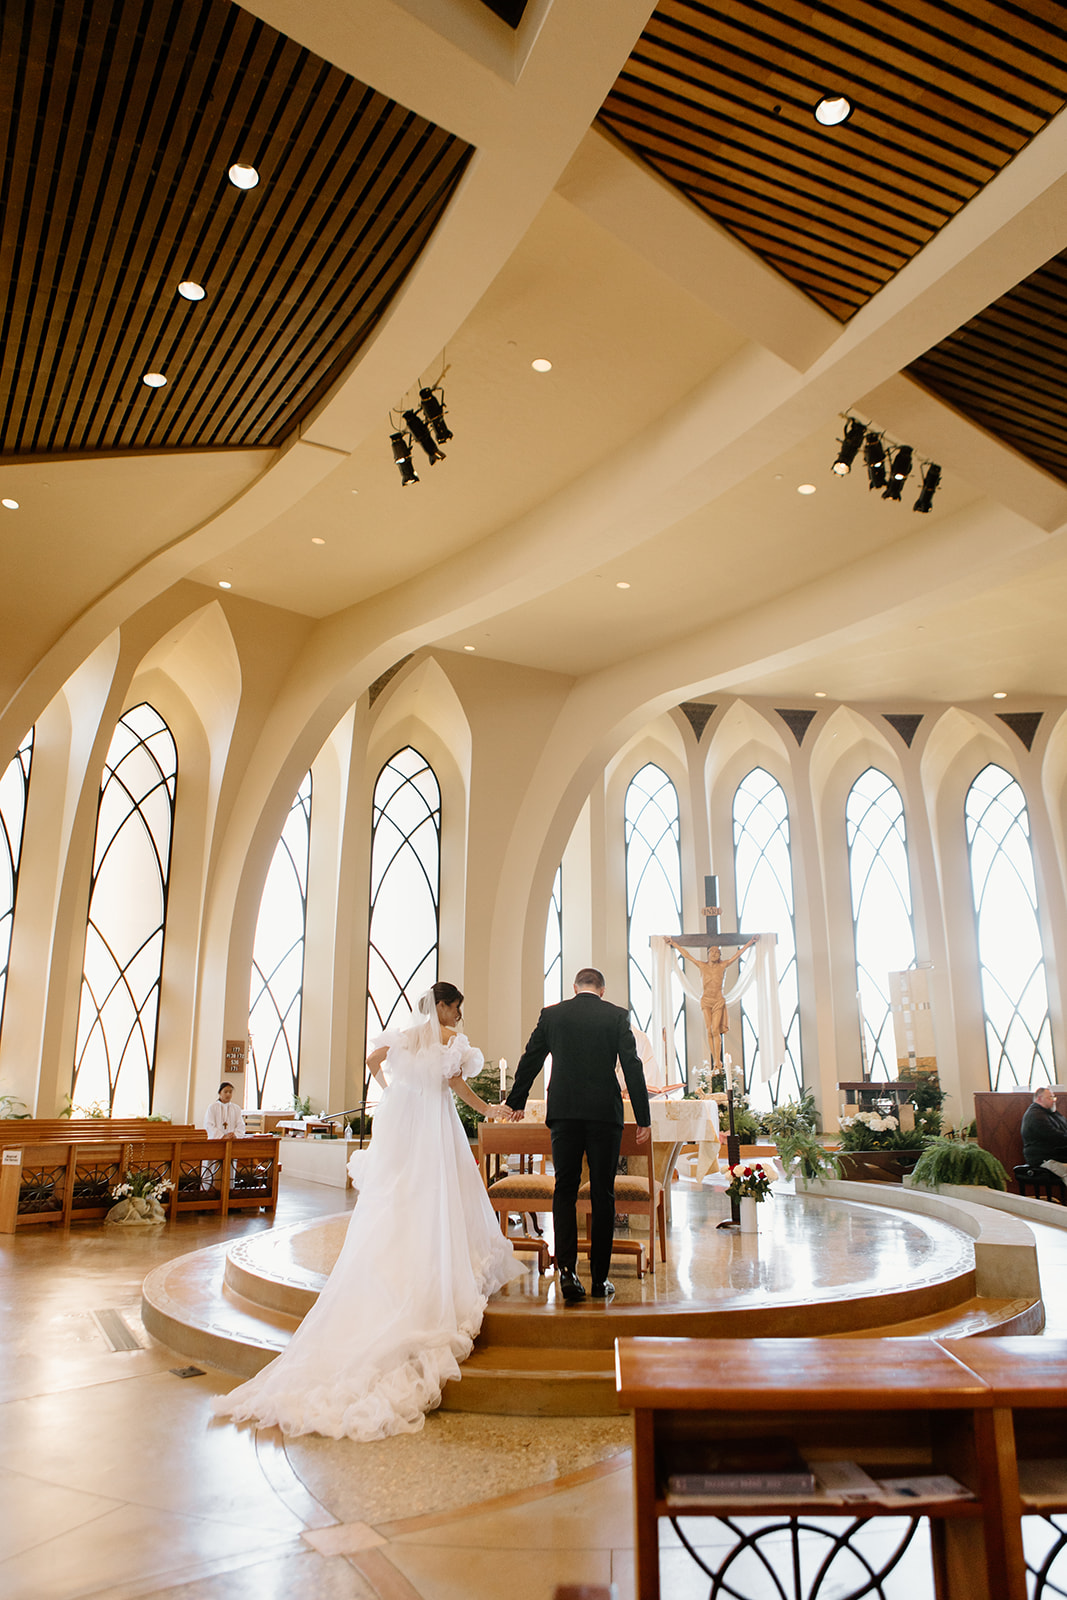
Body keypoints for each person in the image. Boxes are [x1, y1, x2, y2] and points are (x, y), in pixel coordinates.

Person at [212, 983, 522, 1440]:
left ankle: (401, 1265)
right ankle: (434, 1268)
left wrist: (392, 1089)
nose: (459, 1015)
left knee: (404, 1200)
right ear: (442, 1007)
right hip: (438, 1127)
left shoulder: (408, 1036)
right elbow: (457, 1086)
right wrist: (490, 1111)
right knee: (442, 1194)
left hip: (410, 1126)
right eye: (457, 1007)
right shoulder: (450, 1042)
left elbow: (374, 1061)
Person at [504, 967, 651, 1305]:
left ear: (575, 988)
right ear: (602, 989)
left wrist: (516, 1101)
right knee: (603, 1192)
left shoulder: (553, 1015)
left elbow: (531, 1060)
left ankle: (567, 1271)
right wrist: (643, 1117)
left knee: (565, 1189)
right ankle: (600, 1278)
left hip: (565, 1114)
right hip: (604, 1115)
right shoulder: (616, 1016)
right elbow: (632, 1065)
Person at [667, 934, 757, 1071]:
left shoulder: (723, 965)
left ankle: (717, 1060)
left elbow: (737, 954)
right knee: (709, 1030)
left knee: (715, 1030)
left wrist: (750, 942)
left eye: (717, 952)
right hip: (706, 1000)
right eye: (712, 952)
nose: (715, 954)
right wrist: (674, 943)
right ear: (708, 954)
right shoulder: (702, 966)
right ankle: (715, 1060)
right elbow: (687, 955)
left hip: (718, 1000)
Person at [1022, 1085, 1067, 1182]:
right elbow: (1054, 1137)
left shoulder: (1051, 1113)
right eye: (1050, 1097)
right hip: (1043, 1158)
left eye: (1054, 1097)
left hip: (1055, 1154)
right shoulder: (1035, 1115)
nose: (1054, 1100)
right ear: (1039, 1098)